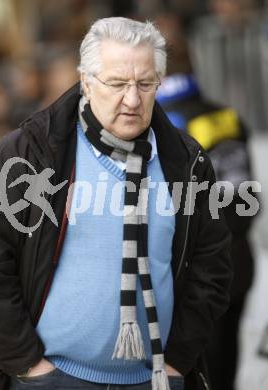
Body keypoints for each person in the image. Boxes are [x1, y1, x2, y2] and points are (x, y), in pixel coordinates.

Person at [0, 17, 232, 390]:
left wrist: (179, 361)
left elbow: (212, 269)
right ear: (85, 81)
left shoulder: (186, 161)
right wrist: (29, 365)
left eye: (145, 84)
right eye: (116, 84)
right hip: (50, 380)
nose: (132, 99)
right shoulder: (30, 153)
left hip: (156, 379)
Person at [155, 13, 257, 390]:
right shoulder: (228, 116)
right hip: (239, 262)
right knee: (225, 365)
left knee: (197, 374)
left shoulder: (166, 128)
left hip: (196, 271)